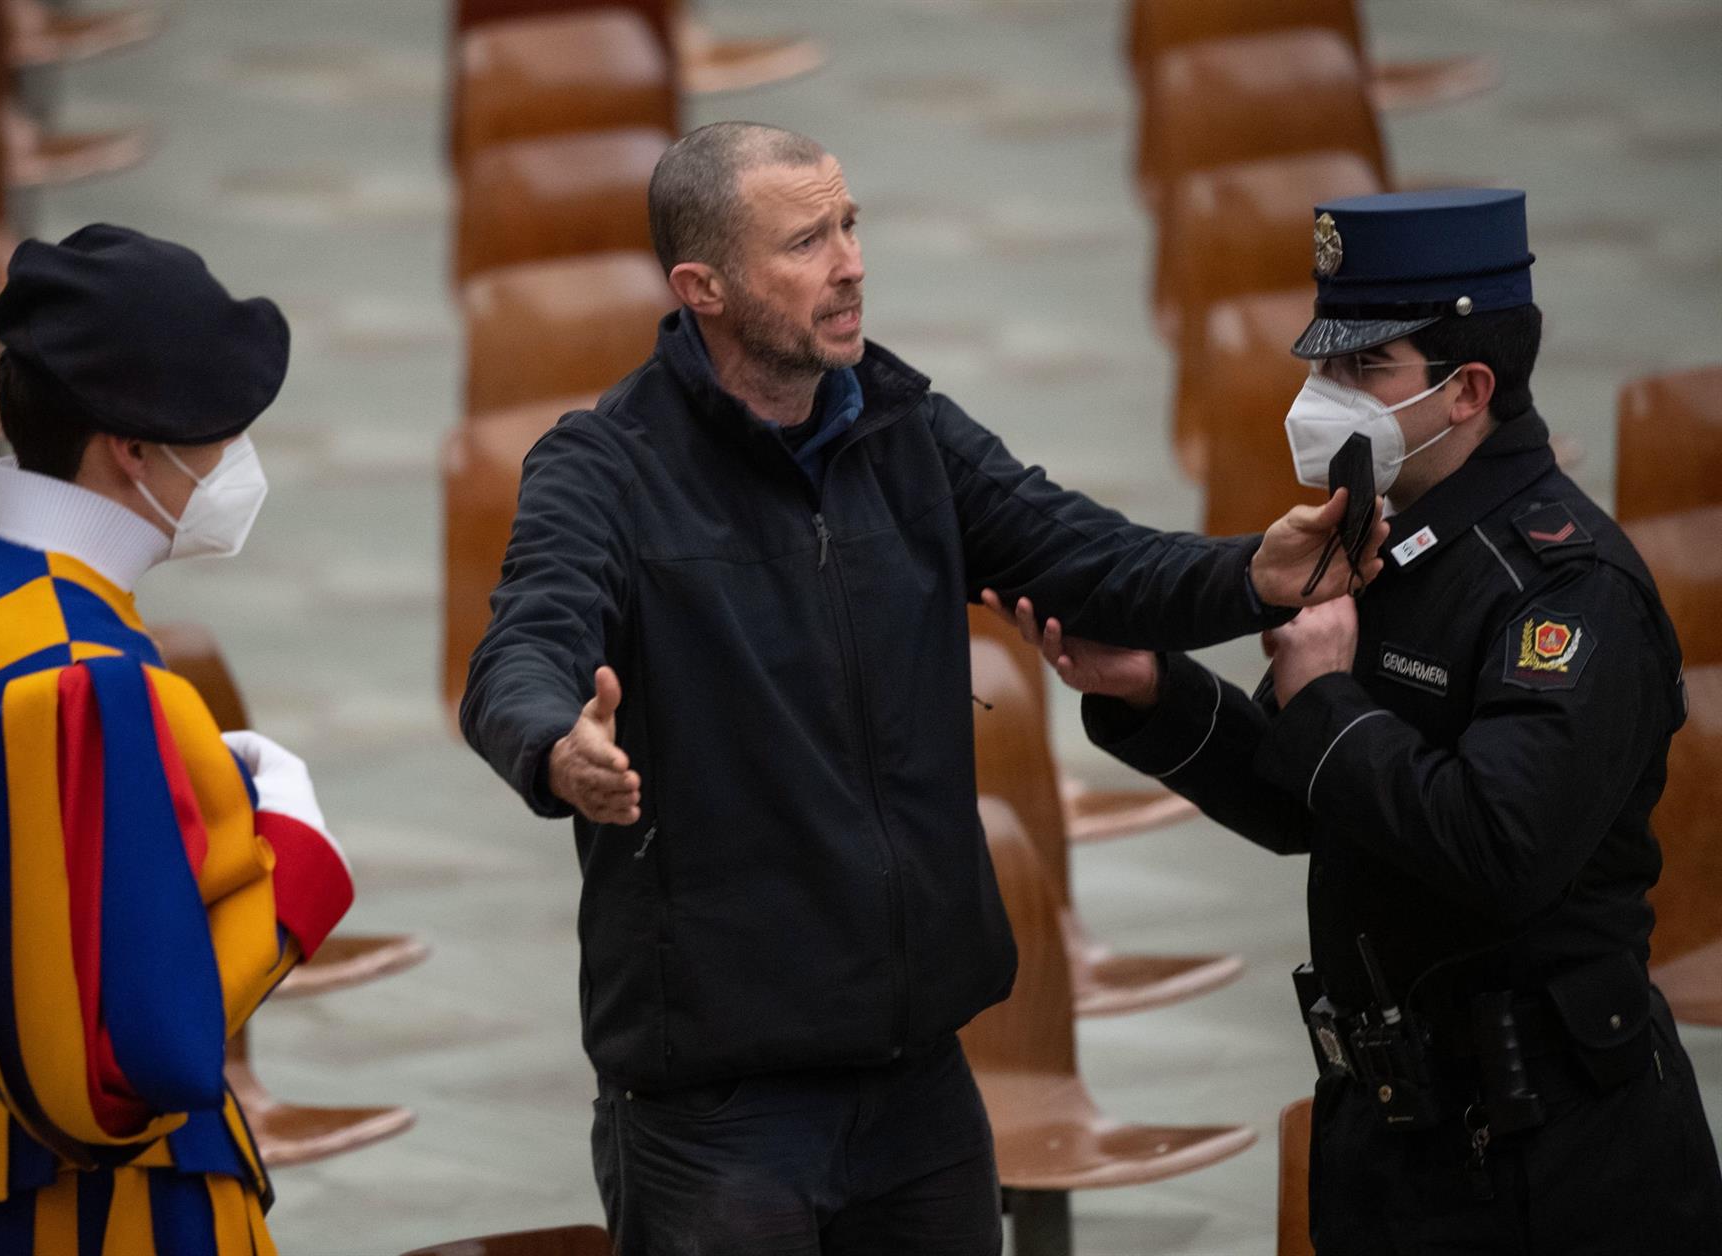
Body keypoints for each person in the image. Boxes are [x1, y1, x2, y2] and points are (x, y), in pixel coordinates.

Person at [460, 121, 1382, 1254]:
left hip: (920, 1092)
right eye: (806, 240)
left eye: (850, 225)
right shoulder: (605, 466)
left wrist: (1251, 573)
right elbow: (521, 647)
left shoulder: (902, 427)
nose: (850, 261)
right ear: (702, 286)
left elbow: (1089, 556)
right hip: (720, 1121)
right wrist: (558, 745)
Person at [996, 188, 1722, 1254]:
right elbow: (1311, 800)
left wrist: (1330, 697)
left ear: (1466, 387)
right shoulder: (1386, 536)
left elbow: (1500, 845)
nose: (1321, 395)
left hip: (1551, 1150)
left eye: (1361, 370)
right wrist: (1151, 688)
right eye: (1323, 364)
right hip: (1394, 1124)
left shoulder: (1565, 590)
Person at [0, 224, 354, 1255]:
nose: (236, 458)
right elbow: (127, 1071)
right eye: (221, 430)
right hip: (107, 1215)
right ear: (132, 449)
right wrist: (295, 859)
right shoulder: (90, 678)